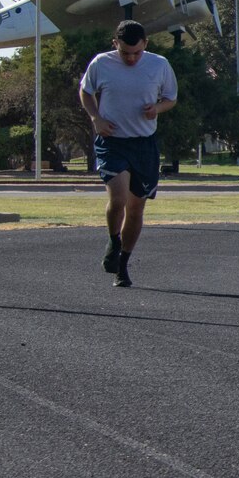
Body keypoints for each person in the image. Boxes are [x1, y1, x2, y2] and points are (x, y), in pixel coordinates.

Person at [80, 20, 178, 288]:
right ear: (116, 45)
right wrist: (95, 118)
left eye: (137, 52)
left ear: (146, 44)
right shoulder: (101, 63)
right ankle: (114, 239)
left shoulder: (159, 64)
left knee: (136, 208)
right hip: (112, 140)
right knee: (119, 198)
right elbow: (86, 92)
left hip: (144, 144)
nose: (132, 58)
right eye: (125, 53)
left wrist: (156, 109)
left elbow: (170, 98)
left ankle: (122, 264)